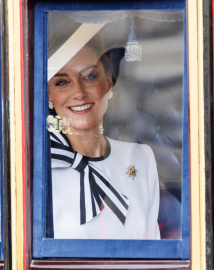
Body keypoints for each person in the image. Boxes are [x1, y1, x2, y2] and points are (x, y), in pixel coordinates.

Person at [47, 35, 160, 240]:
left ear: (108, 82)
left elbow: (153, 247)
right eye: (62, 82)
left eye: (89, 77)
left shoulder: (141, 157)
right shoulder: (36, 165)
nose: (78, 92)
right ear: (49, 96)